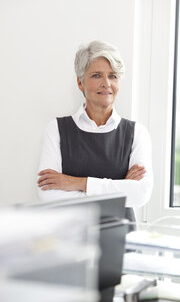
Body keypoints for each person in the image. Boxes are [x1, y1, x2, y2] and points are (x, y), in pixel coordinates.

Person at [37, 40, 153, 225]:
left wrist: (76, 183)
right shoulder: (57, 129)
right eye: (97, 75)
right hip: (71, 241)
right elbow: (48, 194)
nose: (106, 83)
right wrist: (120, 187)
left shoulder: (137, 133)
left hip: (121, 241)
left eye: (113, 76)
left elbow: (140, 194)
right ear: (80, 82)